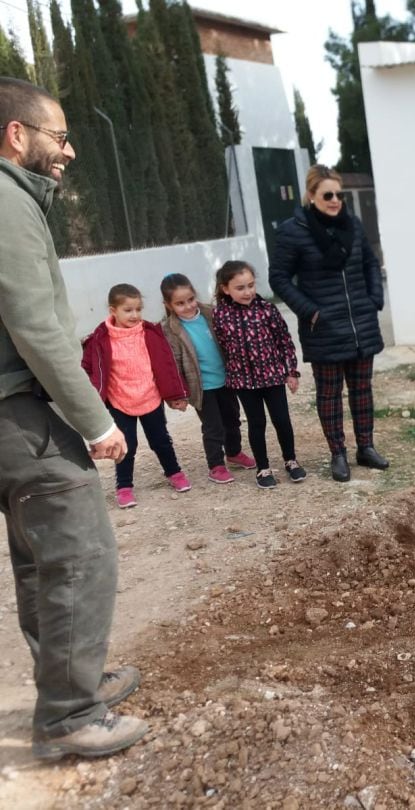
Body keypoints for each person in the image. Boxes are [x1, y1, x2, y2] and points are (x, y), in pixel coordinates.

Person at [0, 77, 146, 759]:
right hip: (15, 408)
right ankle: (67, 715)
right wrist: (95, 421)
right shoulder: (6, 199)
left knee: (40, 558)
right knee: (80, 551)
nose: (70, 150)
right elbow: (33, 322)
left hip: (11, 409)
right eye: (59, 136)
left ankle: (71, 684)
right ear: (16, 135)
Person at [269, 164, 389, 483]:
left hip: (360, 321)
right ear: (311, 196)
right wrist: (309, 310)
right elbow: (279, 277)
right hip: (323, 326)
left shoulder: (353, 225)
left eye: (339, 194)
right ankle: (338, 454)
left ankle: (366, 447)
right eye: (328, 195)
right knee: (330, 393)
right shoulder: (292, 230)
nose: (335, 200)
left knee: (362, 390)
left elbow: (370, 264)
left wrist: (374, 299)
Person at [81, 284, 191, 508]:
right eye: (128, 310)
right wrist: (94, 400)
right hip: (119, 401)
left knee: (161, 440)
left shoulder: (150, 333)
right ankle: (124, 486)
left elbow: (166, 365)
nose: (135, 315)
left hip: (150, 397)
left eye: (138, 309)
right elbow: (89, 368)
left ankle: (174, 472)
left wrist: (175, 394)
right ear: (113, 311)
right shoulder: (99, 339)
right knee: (126, 445)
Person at [213, 260, 306, 489]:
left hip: (273, 377)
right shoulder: (221, 315)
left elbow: (284, 341)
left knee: (282, 420)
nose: (248, 292)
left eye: (251, 285)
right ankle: (263, 468)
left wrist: (291, 371)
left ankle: (290, 460)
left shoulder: (267, 309)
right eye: (240, 288)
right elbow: (223, 347)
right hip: (244, 383)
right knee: (256, 423)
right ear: (226, 289)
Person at [160, 272, 257, 483]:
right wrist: (179, 393)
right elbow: (174, 363)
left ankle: (233, 452)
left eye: (190, 299)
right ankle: (216, 465)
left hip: (226, 380)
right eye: (180, 303)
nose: (187, 306)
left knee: (232, 419)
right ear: (168, 305)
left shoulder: (211, 313)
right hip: (202, 387)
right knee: (213, 426)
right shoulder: (169, 330)